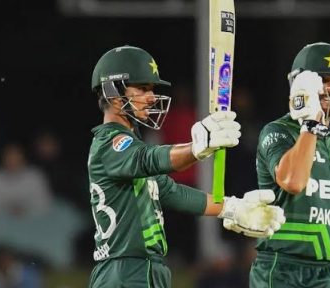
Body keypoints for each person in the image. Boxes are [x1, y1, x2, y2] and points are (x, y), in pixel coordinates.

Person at [87, 45, 285, 288]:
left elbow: (172, 192)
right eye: (142, 88)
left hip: (143, 269)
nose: (151, 97)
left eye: (151, 89)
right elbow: (148, 158)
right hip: (125, 271)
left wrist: (232, 207)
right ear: (113, 93)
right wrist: (196, 148)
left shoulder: (127, 147)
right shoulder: (111, 142)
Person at [249, 42, 330, 288]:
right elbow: (293, 182)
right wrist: (309, 123)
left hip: (328, 271)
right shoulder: (277, 131)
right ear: (300, 84)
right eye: (323, 79)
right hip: (282, 269)